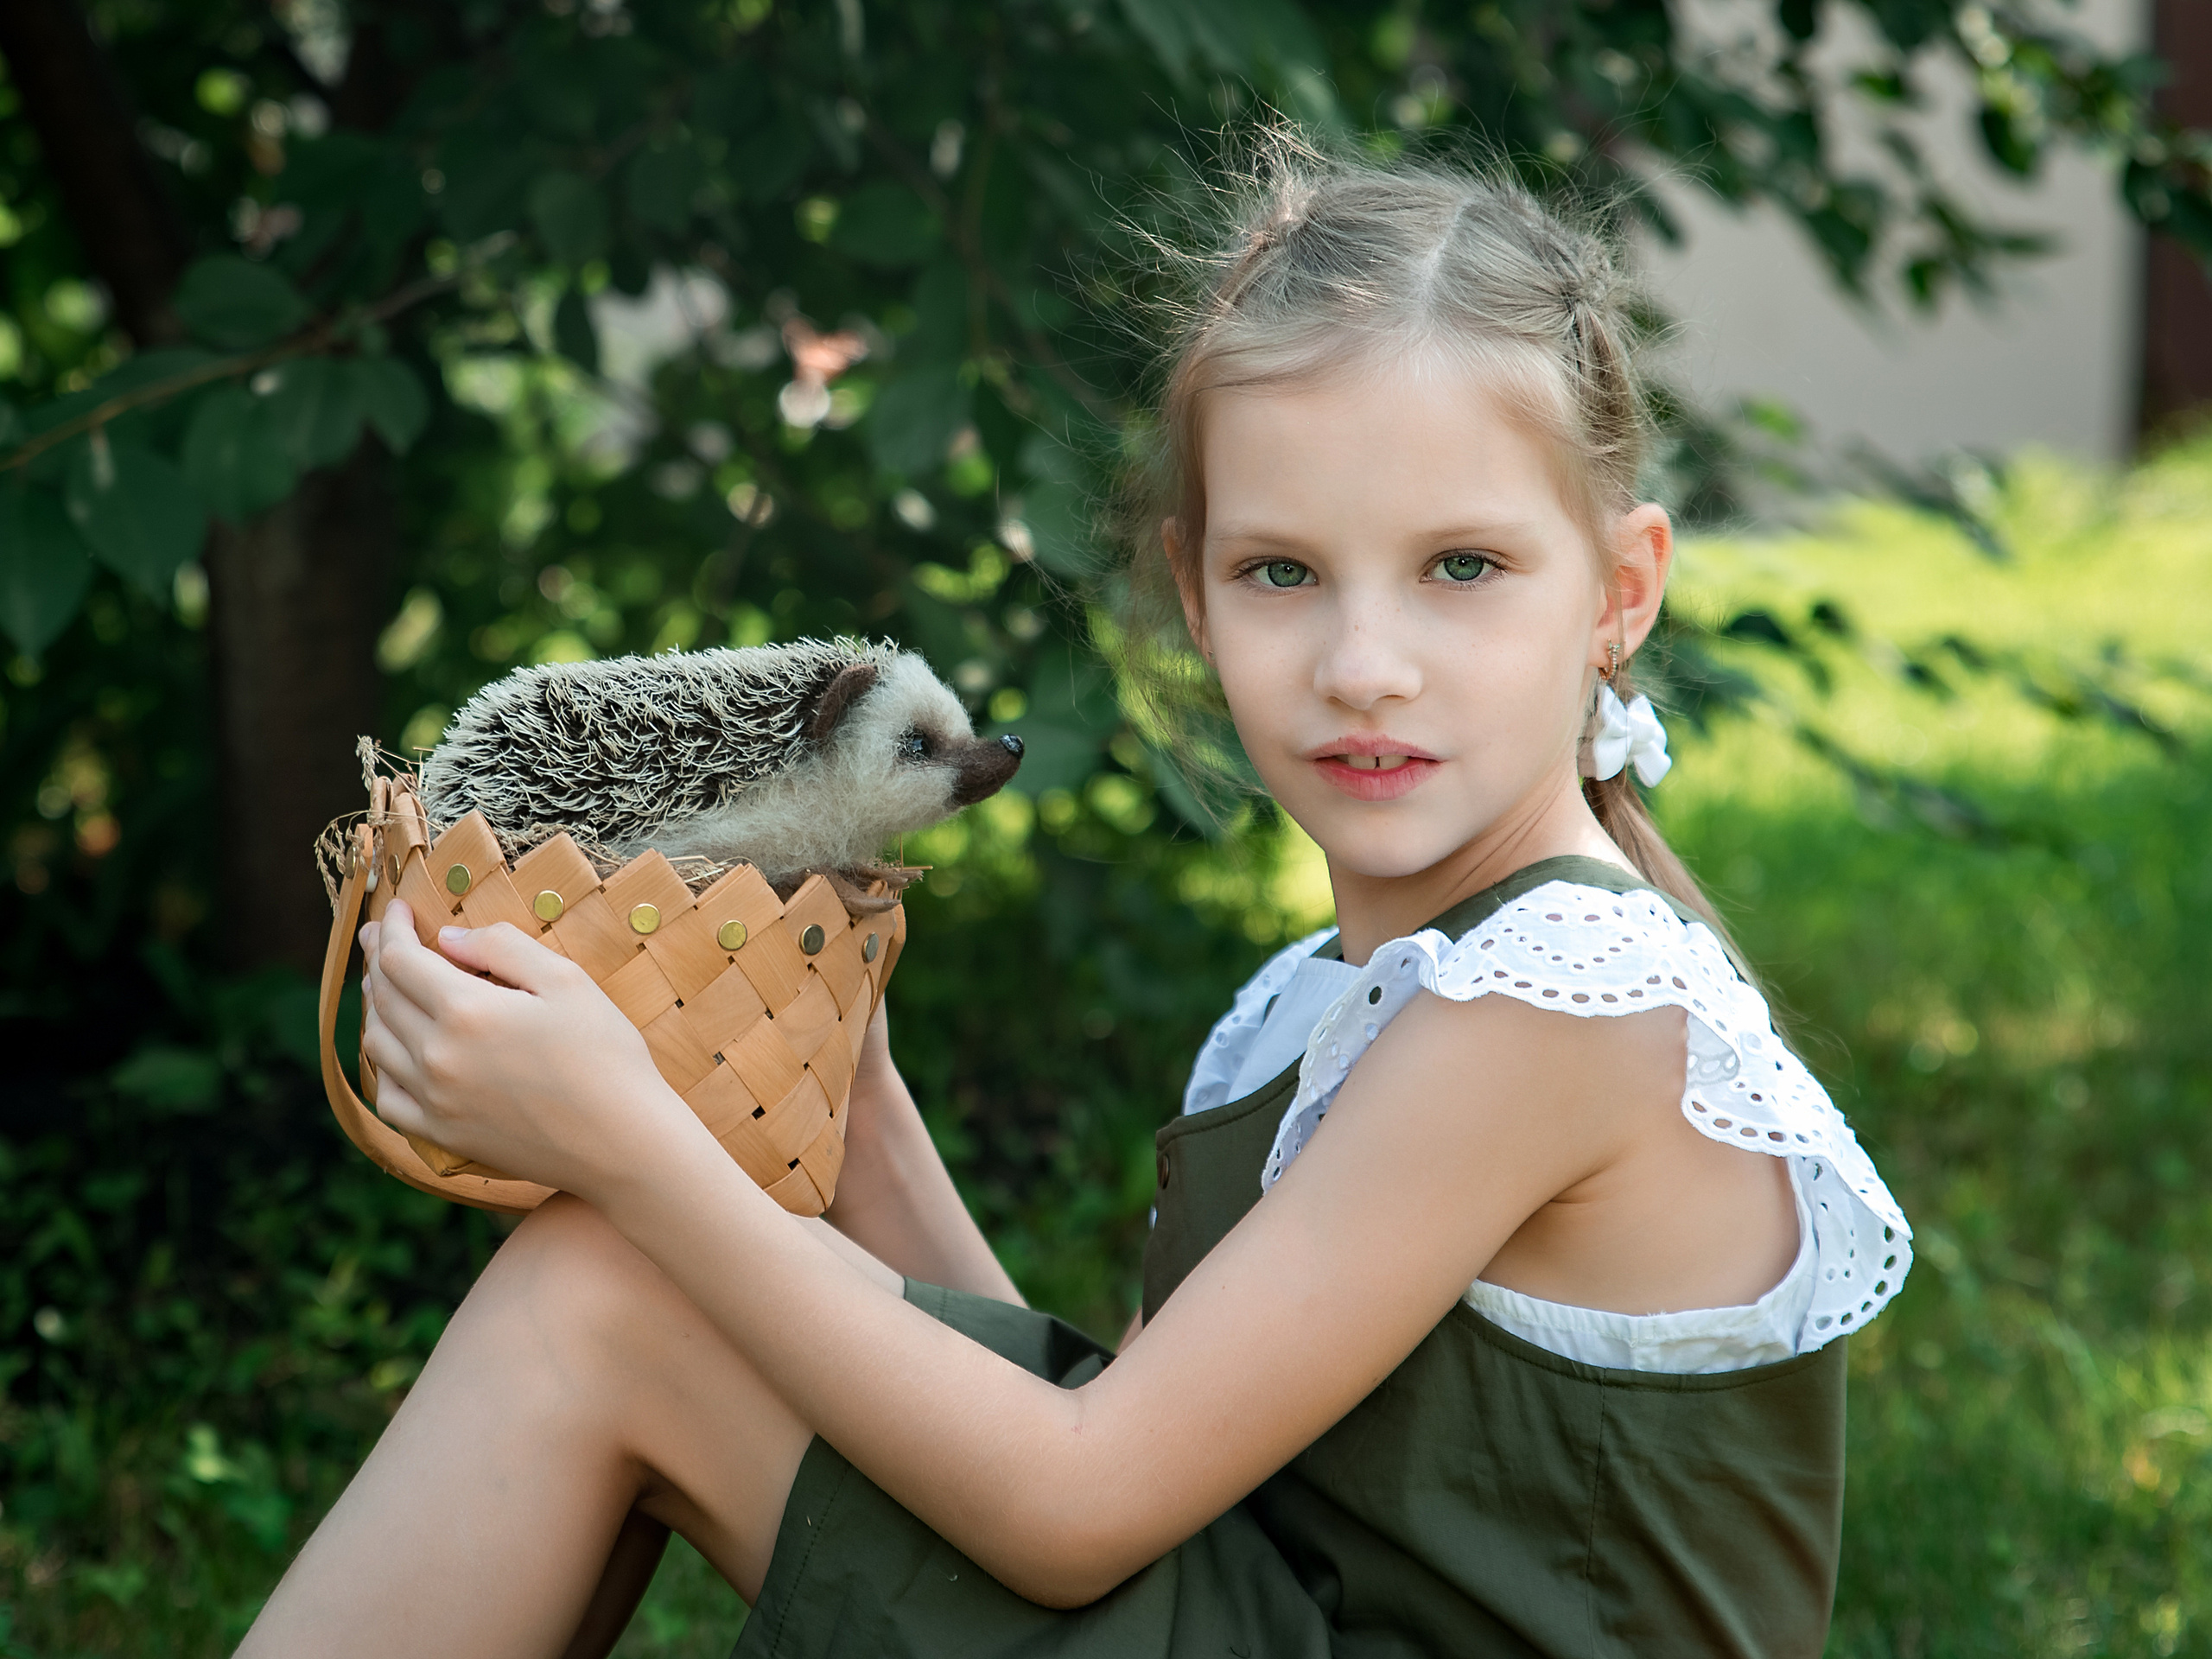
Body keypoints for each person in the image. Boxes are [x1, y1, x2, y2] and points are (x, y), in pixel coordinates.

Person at [238, 137, 1911, 1659]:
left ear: (1617, 593)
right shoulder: (1342, 994)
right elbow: (1118, 1424)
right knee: (624, 1275)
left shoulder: (1551, 1011)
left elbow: (1074, 1500)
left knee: (607, 1287)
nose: (1361, 665)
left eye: (1459, 567)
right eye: (1280, 573)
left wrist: (634, 1148)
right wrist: (854, 1098)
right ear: (1191, 592)